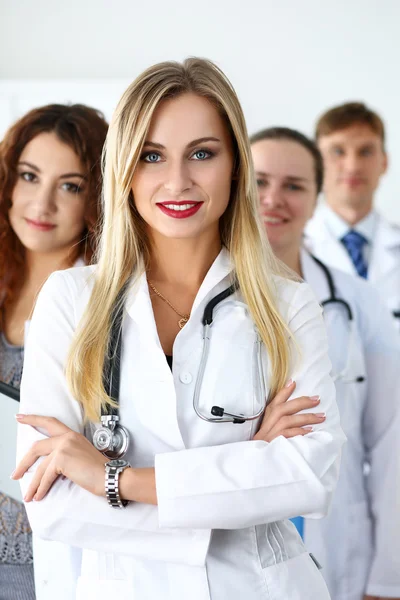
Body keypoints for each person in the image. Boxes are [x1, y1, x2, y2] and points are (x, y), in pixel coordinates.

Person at [14, 59, 345, 600]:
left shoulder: (288, 304)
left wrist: (115, 480)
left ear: (235, 163)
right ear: (123, 166)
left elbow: (309, 474)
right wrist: (245, 475)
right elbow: (51, 505)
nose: (177, 181)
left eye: (202, 153)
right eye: (151, 155)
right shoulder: (71, 301)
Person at [250, 126, 400, 600]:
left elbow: (392, 439)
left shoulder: (356, 300)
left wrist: (387, 577)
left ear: (316, 199)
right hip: (235, 539)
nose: (274, 198)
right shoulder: (192, 299)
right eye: (259, 182)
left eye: (294, 186)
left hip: (337, 542)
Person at [0, 103, 108, 599]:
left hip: (44, 562)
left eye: (70, 185)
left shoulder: (110, 307)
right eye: (29, 176)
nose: (40, 205)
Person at [303, 102, 400, 328]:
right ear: (315, 163)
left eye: (365, 151)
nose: (352, 165)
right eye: (338, 151)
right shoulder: (291, 252)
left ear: (384, 162)